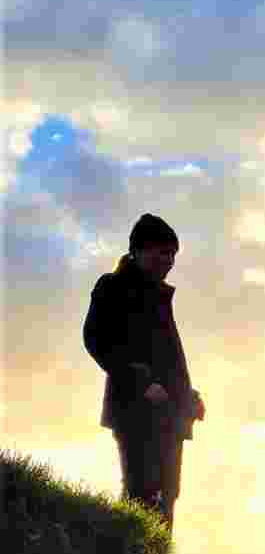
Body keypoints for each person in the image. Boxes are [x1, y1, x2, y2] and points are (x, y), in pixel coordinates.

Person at [82, 213, 205, 531]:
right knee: (141, 493)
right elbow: (95, 338)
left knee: (168, 494)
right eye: (162, 252)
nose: (168, 260)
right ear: (137, 250)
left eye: (172, 254)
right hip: (135, 410)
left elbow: (167, 357)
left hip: (171, 414)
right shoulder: (113, 286)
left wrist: (187, 395)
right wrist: (141, 382)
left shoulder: (159, 294)